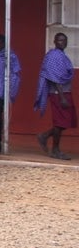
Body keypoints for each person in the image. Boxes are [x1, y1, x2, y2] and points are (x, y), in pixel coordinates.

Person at [34, 32, 75, 160]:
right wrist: (62, 97)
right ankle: (55, 150)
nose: (62, 43)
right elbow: (53, 78)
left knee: (67, 120)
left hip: (66, 92)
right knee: (60, 121)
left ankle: (44, 136)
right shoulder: (53, 56)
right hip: (58, 93)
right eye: (59, 40)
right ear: (55, 42)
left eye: (64, 40)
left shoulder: (62, 55)